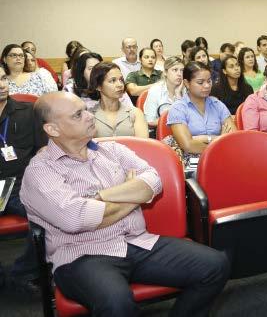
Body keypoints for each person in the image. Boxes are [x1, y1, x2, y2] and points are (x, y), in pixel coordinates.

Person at [20, 91, 230, 316]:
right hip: (82, 256)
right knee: (116, 302)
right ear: (53, 129)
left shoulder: (111, 150)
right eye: (77, 115)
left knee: (216, 264)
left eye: (86, 110)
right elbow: (77, 219)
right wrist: (133, 195)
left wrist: (100, 197)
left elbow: (153, 180)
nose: (90, 117)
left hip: (137, 242)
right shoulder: (40, 171)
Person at [0, 65, 47, 295]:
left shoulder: (28, 111)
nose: (1, 85)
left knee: (45, 219)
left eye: (3, 79)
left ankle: (20, 273)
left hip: (20, 184)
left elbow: (42, 150)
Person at [167, 62, 236, 163]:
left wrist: (200, 139)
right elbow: (188, 146)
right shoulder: (178, 108)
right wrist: (219, 139)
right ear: (186, 83)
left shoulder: (217, 105)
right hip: (191, 162)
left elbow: (233, 139)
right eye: (200, 82)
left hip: (222, 158)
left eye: (209, 81)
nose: (207, 85)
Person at [88, 62, 148, 138]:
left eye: (121, 80)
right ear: (98, 86)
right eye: (112, 81)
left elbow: (143, 146)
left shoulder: (135, 113)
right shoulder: (89, 116)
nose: (120, 85)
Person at [143, 56, 185, 128]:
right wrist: (173, 119)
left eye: (182, 70)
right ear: (165, 72)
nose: (179, 74)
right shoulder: (155, 90)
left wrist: (178, 95)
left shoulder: (187, 89)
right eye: (175, 70)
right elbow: (150, 122)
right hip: (161, 132)